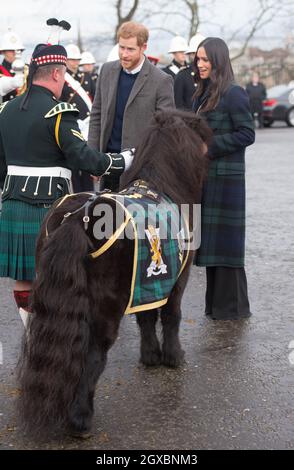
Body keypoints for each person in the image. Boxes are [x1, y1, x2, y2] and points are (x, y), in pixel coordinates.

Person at [0, 41, 133, 327]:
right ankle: (51, 337)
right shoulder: (59, 112)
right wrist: (123, 161)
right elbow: (86, 159)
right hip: (49, 208)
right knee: (57, 278)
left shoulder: (6, 110)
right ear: (58, 74)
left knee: (24, 278)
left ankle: (31, 332)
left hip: (12, 205)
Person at [193, 37, 255, 320]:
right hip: (207, 180)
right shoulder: (203, 93)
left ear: (218, 60)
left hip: (227, 181)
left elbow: (247, 133)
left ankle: (233, 309)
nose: (200, 64)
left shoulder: (234, 93)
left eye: (205, 59)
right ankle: (217, 307)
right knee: (212, 246)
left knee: (227, 248)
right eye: (198, 59)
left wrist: (211, 147)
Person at [88, 21, 175, 192]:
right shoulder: (106, 71)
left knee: (133, 219)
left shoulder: (161, 80)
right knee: (105, 218)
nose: (124, 54)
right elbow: (96, 115)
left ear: (144, 47)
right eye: (121, 47)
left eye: (130, 49)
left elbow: (165, 129)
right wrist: (93, 157)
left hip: (142, 170)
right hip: (108, 165)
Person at [174, 33, 205, 110]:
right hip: (189, 120)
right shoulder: (182, 75)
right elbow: (178, 106)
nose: (198, 58)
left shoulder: (212, 75)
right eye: (194, 54)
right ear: (190, 55)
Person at [0, 29, 26, 102]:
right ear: (3, 52)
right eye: (11, 50)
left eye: (19, 50)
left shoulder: (27, 69)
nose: (16, 53)